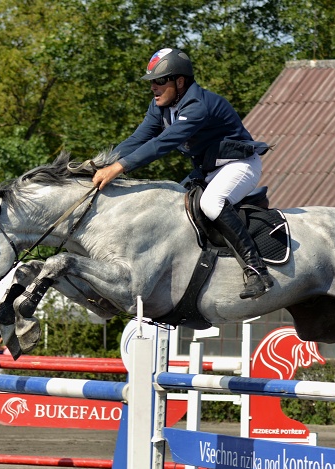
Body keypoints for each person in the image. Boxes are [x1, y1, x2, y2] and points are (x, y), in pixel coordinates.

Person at [91, 48, 275, 300]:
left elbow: (161, 144)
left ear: (179, 82)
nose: (153, 87)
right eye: (152, 82)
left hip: (240, 165)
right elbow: (138, 139)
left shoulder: (198, 106)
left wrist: (117, 168)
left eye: (159, 81)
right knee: (173, 206)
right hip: (209, 170)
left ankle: (256, 270)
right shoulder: (160, 106)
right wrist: (99, 164)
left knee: (211, 203)